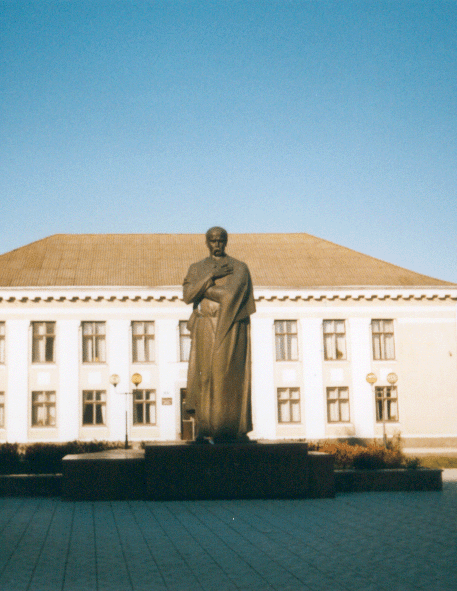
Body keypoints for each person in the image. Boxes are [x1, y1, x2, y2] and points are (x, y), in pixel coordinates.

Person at [183, 227, 256, 442]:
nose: (217, 244)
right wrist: (211, 276)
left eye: (221, 240)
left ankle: (230, 428)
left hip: (231, 327)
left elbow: (229, 296)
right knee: (204, 376)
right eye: (213, 241)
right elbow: (187, 296)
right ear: (207, 242)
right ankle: (204, 428)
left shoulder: (239, 268)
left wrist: (201, 288)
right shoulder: (197, 268)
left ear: (226, 242)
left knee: (226, 378)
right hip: (205, 326)